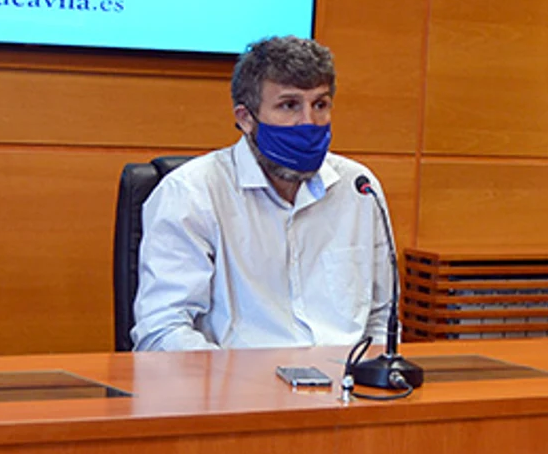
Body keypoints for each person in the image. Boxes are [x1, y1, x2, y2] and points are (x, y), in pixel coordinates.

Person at [131, 36, 391, 351]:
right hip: (234, 390)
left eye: (320, 105)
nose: (308, 122)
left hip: (345, 389)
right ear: (245, 118)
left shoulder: (359, 189)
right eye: (289, 105)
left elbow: (381, 319)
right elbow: (162, 331)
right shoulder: (191, 193)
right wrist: (241, 387)